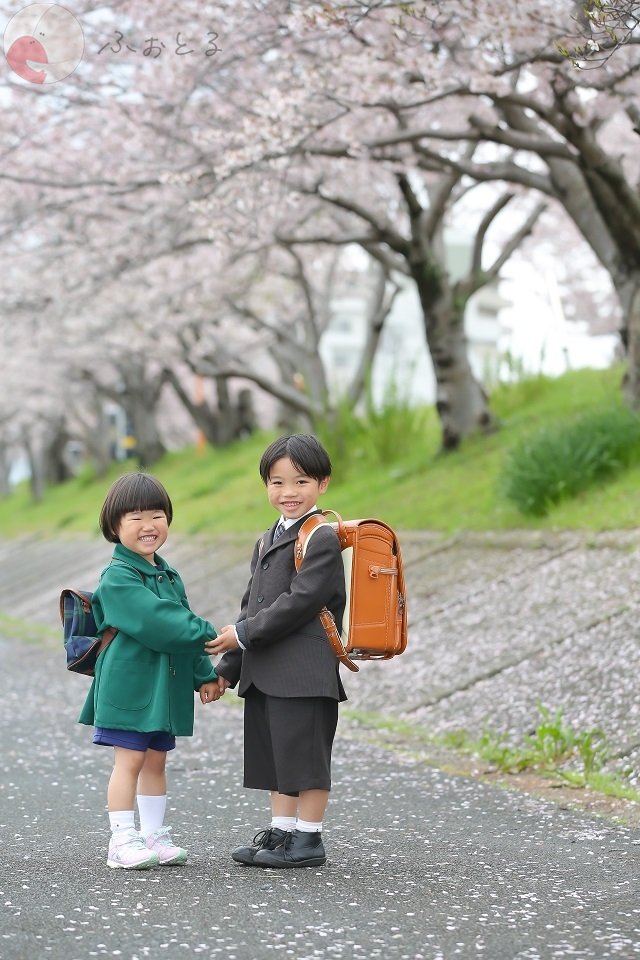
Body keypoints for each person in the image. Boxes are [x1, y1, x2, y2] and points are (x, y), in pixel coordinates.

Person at [206, 434, 347, 869]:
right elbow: (253, 603)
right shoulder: (268, 537)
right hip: (267, 669)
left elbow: (300, 601)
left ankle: (309, 839)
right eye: (277, 482)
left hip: (304, 670)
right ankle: (282, 834)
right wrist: (228, 667)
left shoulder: (321, 536)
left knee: (305, 757)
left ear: (322, 483)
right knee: (277, 756)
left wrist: (243, 634)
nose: (288, 493)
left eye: (301, 481)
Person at [79, 472, 221, 870]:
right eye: (136, 517)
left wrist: (204, 673)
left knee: (156, 760)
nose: (149, 526)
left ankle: (154, 835)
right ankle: (121, 839)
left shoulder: (167, 573)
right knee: (129, 761)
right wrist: (213, 634)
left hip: (163, 684)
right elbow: (161, 623)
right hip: (129, 685)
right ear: (114, 527)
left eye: (157, 516)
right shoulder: (118, 577)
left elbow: (182, 628)